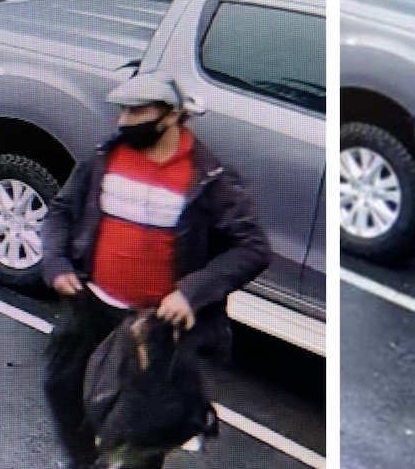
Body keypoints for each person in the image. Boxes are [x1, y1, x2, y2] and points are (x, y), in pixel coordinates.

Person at [41, 72, 271, 469]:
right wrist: (56, 262)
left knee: (142, 425)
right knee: (64, 389)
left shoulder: (209, 178)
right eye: (121, 111)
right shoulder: (103, 160)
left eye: (136, 111)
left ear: (171, 116)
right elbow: (61, 211)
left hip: (155, 331)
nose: (123, 121)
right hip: (92, 308)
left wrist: (191, 293)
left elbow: (252, 249)